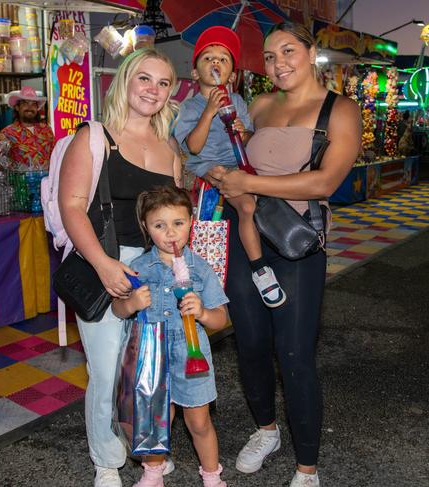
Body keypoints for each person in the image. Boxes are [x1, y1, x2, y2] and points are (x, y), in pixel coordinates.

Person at [209, 22, 361, 487]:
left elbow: (324, 183)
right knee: (251, 345)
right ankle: (266, 431)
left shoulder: (340, 109)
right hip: (245, 237)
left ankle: (307, 468)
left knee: (294, 353)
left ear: (311, 52)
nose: (278, 64)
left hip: (295, 243)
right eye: (270, 57)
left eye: (288, 51)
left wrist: (248, 183)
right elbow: (246, 164)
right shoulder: (258, 105)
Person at [58, 48, 182, 487]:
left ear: (171, 92)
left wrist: (182, 271)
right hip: (104, 261)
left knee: (150, 367)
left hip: (155, 269)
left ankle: (149, 449)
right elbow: (71, 207)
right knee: (108, 369)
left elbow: (176, 219)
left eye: (163, 82)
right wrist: (104, 265)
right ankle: (106, 460)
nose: (153, 89)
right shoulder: (94, 137)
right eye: (144, 79)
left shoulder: (170, 148)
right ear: (125, 82)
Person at [112, 185, 229, 487]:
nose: (170, 233)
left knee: (199, 421)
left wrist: (203, 312)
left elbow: (221, 319)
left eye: (178, 223)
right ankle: (153, 473)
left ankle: (212, 476)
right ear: (146, 227)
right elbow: (117, 310)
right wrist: (131, 303)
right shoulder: (137, 269)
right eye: (159, 225)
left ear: (191, 221)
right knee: (154, 420)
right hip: (151, 352)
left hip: (192, 355)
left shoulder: (201, 269)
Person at [174, 26, 286, 308]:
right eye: (208, 58)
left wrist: (243, 131)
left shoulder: (237, 101)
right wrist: (209, 111)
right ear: (196, 72)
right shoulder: (189, 107)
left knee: (260, 201)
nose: (216, 63)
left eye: (224, 59)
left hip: (236, 165)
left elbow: (248, 139)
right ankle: (260, 269)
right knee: (247, 207)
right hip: (209, 168)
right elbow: (194, 147)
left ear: (232, 75)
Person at [0, 85, 56, 168]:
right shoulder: (6, 134)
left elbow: (55, 155)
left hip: (47, 180)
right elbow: (0, 164)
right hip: (21, 180)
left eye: (33, 104)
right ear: (17, 107)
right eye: (25, 103)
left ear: (37, 108)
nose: (30, 107)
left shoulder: (46, 130)